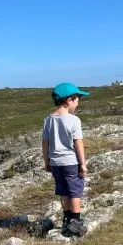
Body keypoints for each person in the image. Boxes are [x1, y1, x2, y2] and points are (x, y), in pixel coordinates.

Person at [42, 82, 90, 236]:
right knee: (75, 191)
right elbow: (78, 143)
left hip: (55, 162)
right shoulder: (74, 120)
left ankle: (66, 218)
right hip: (71, 162)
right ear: (68, 100)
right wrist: (83, 163)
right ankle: (75, 222)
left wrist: (47, 161)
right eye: (77, 99)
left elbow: (45, 143)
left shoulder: (48, 120)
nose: (78, 102)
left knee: (63, 190)